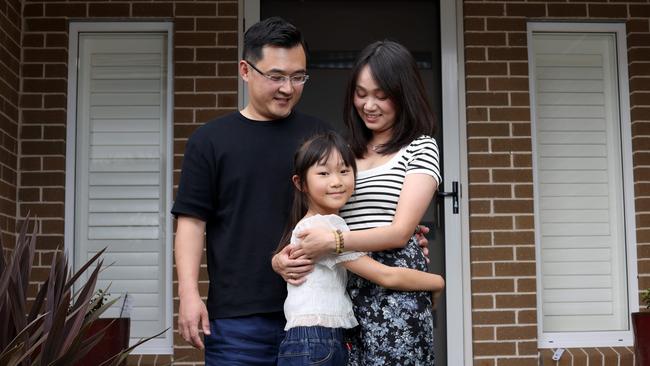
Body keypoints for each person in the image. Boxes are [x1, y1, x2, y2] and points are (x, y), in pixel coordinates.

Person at [171, 17, 330, 365]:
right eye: (276, 77)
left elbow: (345, 208)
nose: (288, 88)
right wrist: (188, 294)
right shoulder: (210, 141)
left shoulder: (319, 136)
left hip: (313, 312)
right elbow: (191, 223)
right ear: (246, 70)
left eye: (298, 77)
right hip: (236, 322)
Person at [274, 40, 441, 365]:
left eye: (381, 95)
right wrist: (283, 258)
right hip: (343, 294)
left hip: (394, 293)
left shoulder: (420, 147)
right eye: (361, 93)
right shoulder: (345, 150)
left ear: (403, 94)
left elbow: (399, 231)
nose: (369, 105)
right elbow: (316, 213)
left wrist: (332, 242)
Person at [276, 131, 444, 366]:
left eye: (345, 171)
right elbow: (386, 275)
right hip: (317, 342)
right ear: (300, 183)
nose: (336, 182)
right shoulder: (325, 229)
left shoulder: (316, 224)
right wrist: (438, 282)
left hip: (314, 341)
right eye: (323, 173)